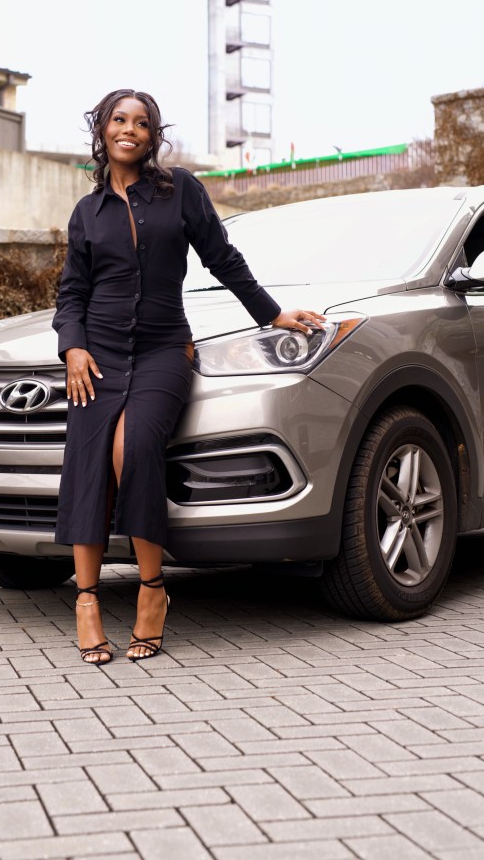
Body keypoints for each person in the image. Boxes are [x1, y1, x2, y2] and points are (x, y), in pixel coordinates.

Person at [52, 89, 324, 665]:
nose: (129, 130)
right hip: (97, 356)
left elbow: (222, 257)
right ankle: (87, 600)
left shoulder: (180, 190)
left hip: (163, 350)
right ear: (102, 130)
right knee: (87, 462)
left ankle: (152, 588)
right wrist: (72, 347)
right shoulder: (86, 212)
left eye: (141, 123)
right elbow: (72, 291)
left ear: (153, 136)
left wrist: (272, 313)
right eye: (119, 120)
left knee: (133, 449)